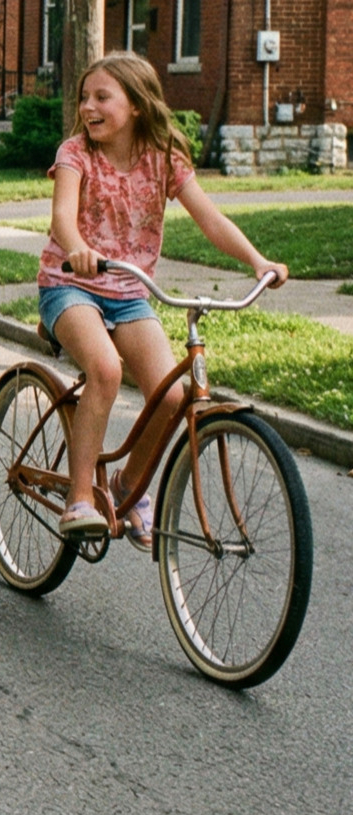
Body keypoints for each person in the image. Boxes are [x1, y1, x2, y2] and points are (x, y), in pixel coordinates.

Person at [40, 52, 287, 547]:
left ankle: (129, 488)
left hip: (131, 292)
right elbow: (62, 217)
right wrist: (78, 249)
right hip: (71, 284)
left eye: (102, 97)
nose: (88, 106)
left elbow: (209, 218)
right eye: (85, 97)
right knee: (106, 370)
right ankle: (80, 499)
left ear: (135, 104)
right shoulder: (76, 154)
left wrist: (258, 262)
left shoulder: (164, 156)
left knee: (172, 396)